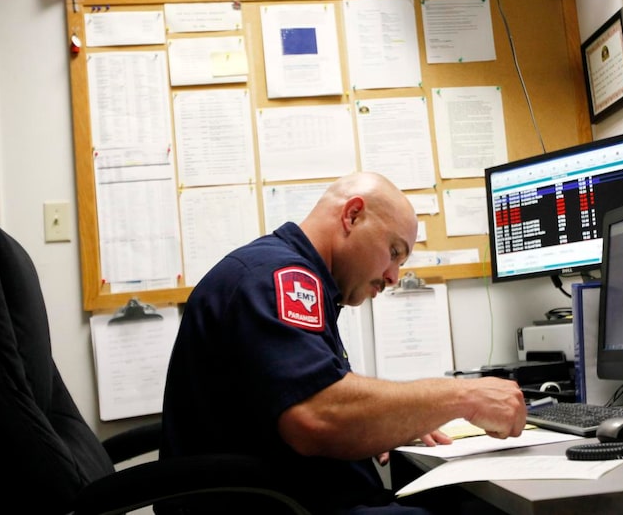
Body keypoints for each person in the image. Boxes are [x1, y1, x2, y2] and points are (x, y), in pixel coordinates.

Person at [159, 172, 526, 514]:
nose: (393, 276)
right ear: (353, 216)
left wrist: (389, 420)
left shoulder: (286, 276)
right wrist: (464, 397)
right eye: (394, 252)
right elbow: (316, 417)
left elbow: (313, 400)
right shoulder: (281, 278)